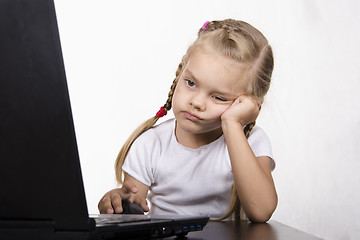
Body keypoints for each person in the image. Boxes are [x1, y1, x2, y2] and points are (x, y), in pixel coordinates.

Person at [98, 19, 278, 222]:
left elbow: (261, 211)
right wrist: (119, 201)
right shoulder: (152, 144)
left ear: (248, 104)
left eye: (218, 97)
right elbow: (133, 203)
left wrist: (233, 125)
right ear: (181, 72)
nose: (197, 102)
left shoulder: (252, 141)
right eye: (191, 83)